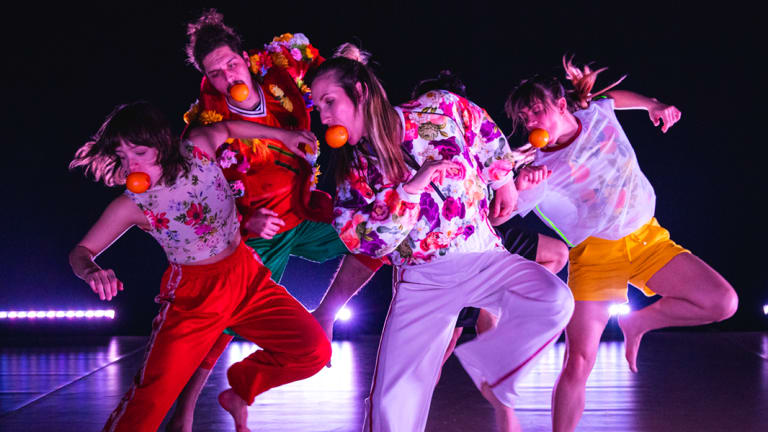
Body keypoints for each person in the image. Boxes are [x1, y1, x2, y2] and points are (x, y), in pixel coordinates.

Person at [309, 47, 575, 432]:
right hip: (422, 282)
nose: (324, 116)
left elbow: (484, 130)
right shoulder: (354, 173)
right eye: (318, 107)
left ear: (360, 92)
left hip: (483, 257)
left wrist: (503, 180)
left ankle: (493, 370)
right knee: (392, 402)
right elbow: (367, 243)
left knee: (554, 300)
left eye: (329, 101)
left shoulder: (438, 107)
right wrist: (411, 189)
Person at [172, 11, 383, 431]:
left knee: (380, 233)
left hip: (304, 212)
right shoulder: (206, 125)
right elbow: (197, 202)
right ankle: (184, 413)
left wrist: (349, 60)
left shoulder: (280, 67)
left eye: (231, 63)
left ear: (244, 57)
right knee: (222, 323)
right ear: (206, 78)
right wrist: (245, 222)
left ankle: (326, 314)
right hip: (259, 232)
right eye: (215, 73)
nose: (228, 76)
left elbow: (328, 73)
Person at [503, 57, 739, 432]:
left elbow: (614, 99)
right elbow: (501, 216)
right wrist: (518, 185)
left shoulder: (596, 115)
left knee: (723, 302)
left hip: (647, 239)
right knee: (579, 362)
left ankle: (639, 322)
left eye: (536, 110)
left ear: (561, 105)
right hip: (595, 257)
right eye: (524, 117)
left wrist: (653, 105)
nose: (530, 121)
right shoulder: (539, 166)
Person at [69, 101, 330, 432]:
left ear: (162, 143)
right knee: (151, 399)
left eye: (140, 153)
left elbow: (230, 127)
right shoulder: (132, 204)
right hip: (194, 297)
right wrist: (91, 270)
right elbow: (81, 251)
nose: (132, 165)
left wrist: (283, 136)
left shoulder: (198, 148)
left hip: (246, 278)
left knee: (313, 350)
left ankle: (241, 387)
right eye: (123, 157)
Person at [410, 70, 569, 375]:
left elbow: (496, 215)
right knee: (445, 342)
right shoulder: (414, 148)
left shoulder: (478, 139)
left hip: (485, 235)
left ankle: (493, 305)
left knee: (557, 253)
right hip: (443, 250)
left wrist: (517, 186)